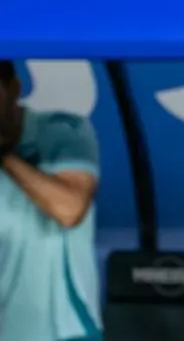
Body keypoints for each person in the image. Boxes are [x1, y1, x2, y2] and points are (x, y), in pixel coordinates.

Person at [0, 61, 103, 341]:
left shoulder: (61, 129)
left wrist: (5, 156)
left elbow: (69, 208)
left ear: (14, 89)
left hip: (66, 332)